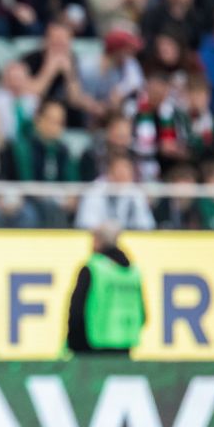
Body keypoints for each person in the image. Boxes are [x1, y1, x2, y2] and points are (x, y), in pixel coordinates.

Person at [66, 221, 145, 355]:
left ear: (97, 240)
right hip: (125, 344)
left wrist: (73, 344)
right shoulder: (133, 272)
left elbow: (77, 310)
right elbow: (143, 313)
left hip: (92, 345)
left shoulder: (93, 268)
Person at [74, 152, 156, 230]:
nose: (122, 174)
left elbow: (146, 225)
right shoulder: (94, 192)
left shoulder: (136, 194)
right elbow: (85, 223)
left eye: (127, 171)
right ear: (109, 172)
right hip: (101, 239)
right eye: (119, 170)